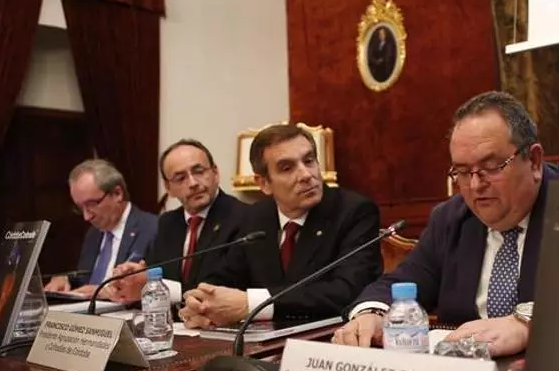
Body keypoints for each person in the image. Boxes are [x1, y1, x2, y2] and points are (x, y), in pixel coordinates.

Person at [332, 90, 559, 356]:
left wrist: (528, 323)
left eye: (491, 167)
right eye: (463, 172)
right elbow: (405, 281)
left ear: (534, 161)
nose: (476, 185)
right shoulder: (450, 218)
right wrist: (373, 313)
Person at [177, 124, 383, 329]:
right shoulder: (254, 217)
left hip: (327, 336)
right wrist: (201, 303)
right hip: (265, 339)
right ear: (264, 183)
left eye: (309, 160)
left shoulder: (354, 211)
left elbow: (347, 290)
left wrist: (252, 304)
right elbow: (225, 276)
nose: (306, 174)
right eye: (287, 168)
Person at [110, 139, 251, 303]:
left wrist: (152, 285)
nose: (193, 183)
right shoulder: (167, 223)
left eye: (199, 171)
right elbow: (155, 273)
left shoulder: (244, 217)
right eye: (180, 178)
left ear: (215, 173)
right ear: (168, 188)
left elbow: (220, 288)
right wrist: (135, 276)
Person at [43, 159, 157, 298]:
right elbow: (84, 280)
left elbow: (157, 288)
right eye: (80, 208)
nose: (86, 216)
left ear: (117, 193)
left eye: (91, 204)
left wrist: (103, 292)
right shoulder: (93, 234)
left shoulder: (153, 228)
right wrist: (64, 279)